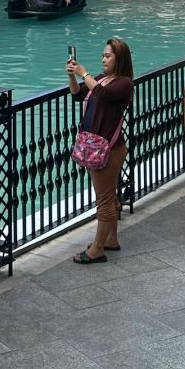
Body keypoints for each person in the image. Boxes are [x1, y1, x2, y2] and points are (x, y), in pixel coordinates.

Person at [66, 39, 134, 263]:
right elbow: (78, 95)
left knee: (103, 199)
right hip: (97, 147)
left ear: (119, 58)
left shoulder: (124, 84)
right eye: (103, 55)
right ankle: (111, 239)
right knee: (109, 195)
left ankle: (97, 249)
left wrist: (84, 73)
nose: (103, 59)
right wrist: (72, 76)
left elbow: (103, 94)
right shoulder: (102, 79)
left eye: (108, 56)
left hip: (108, 149)